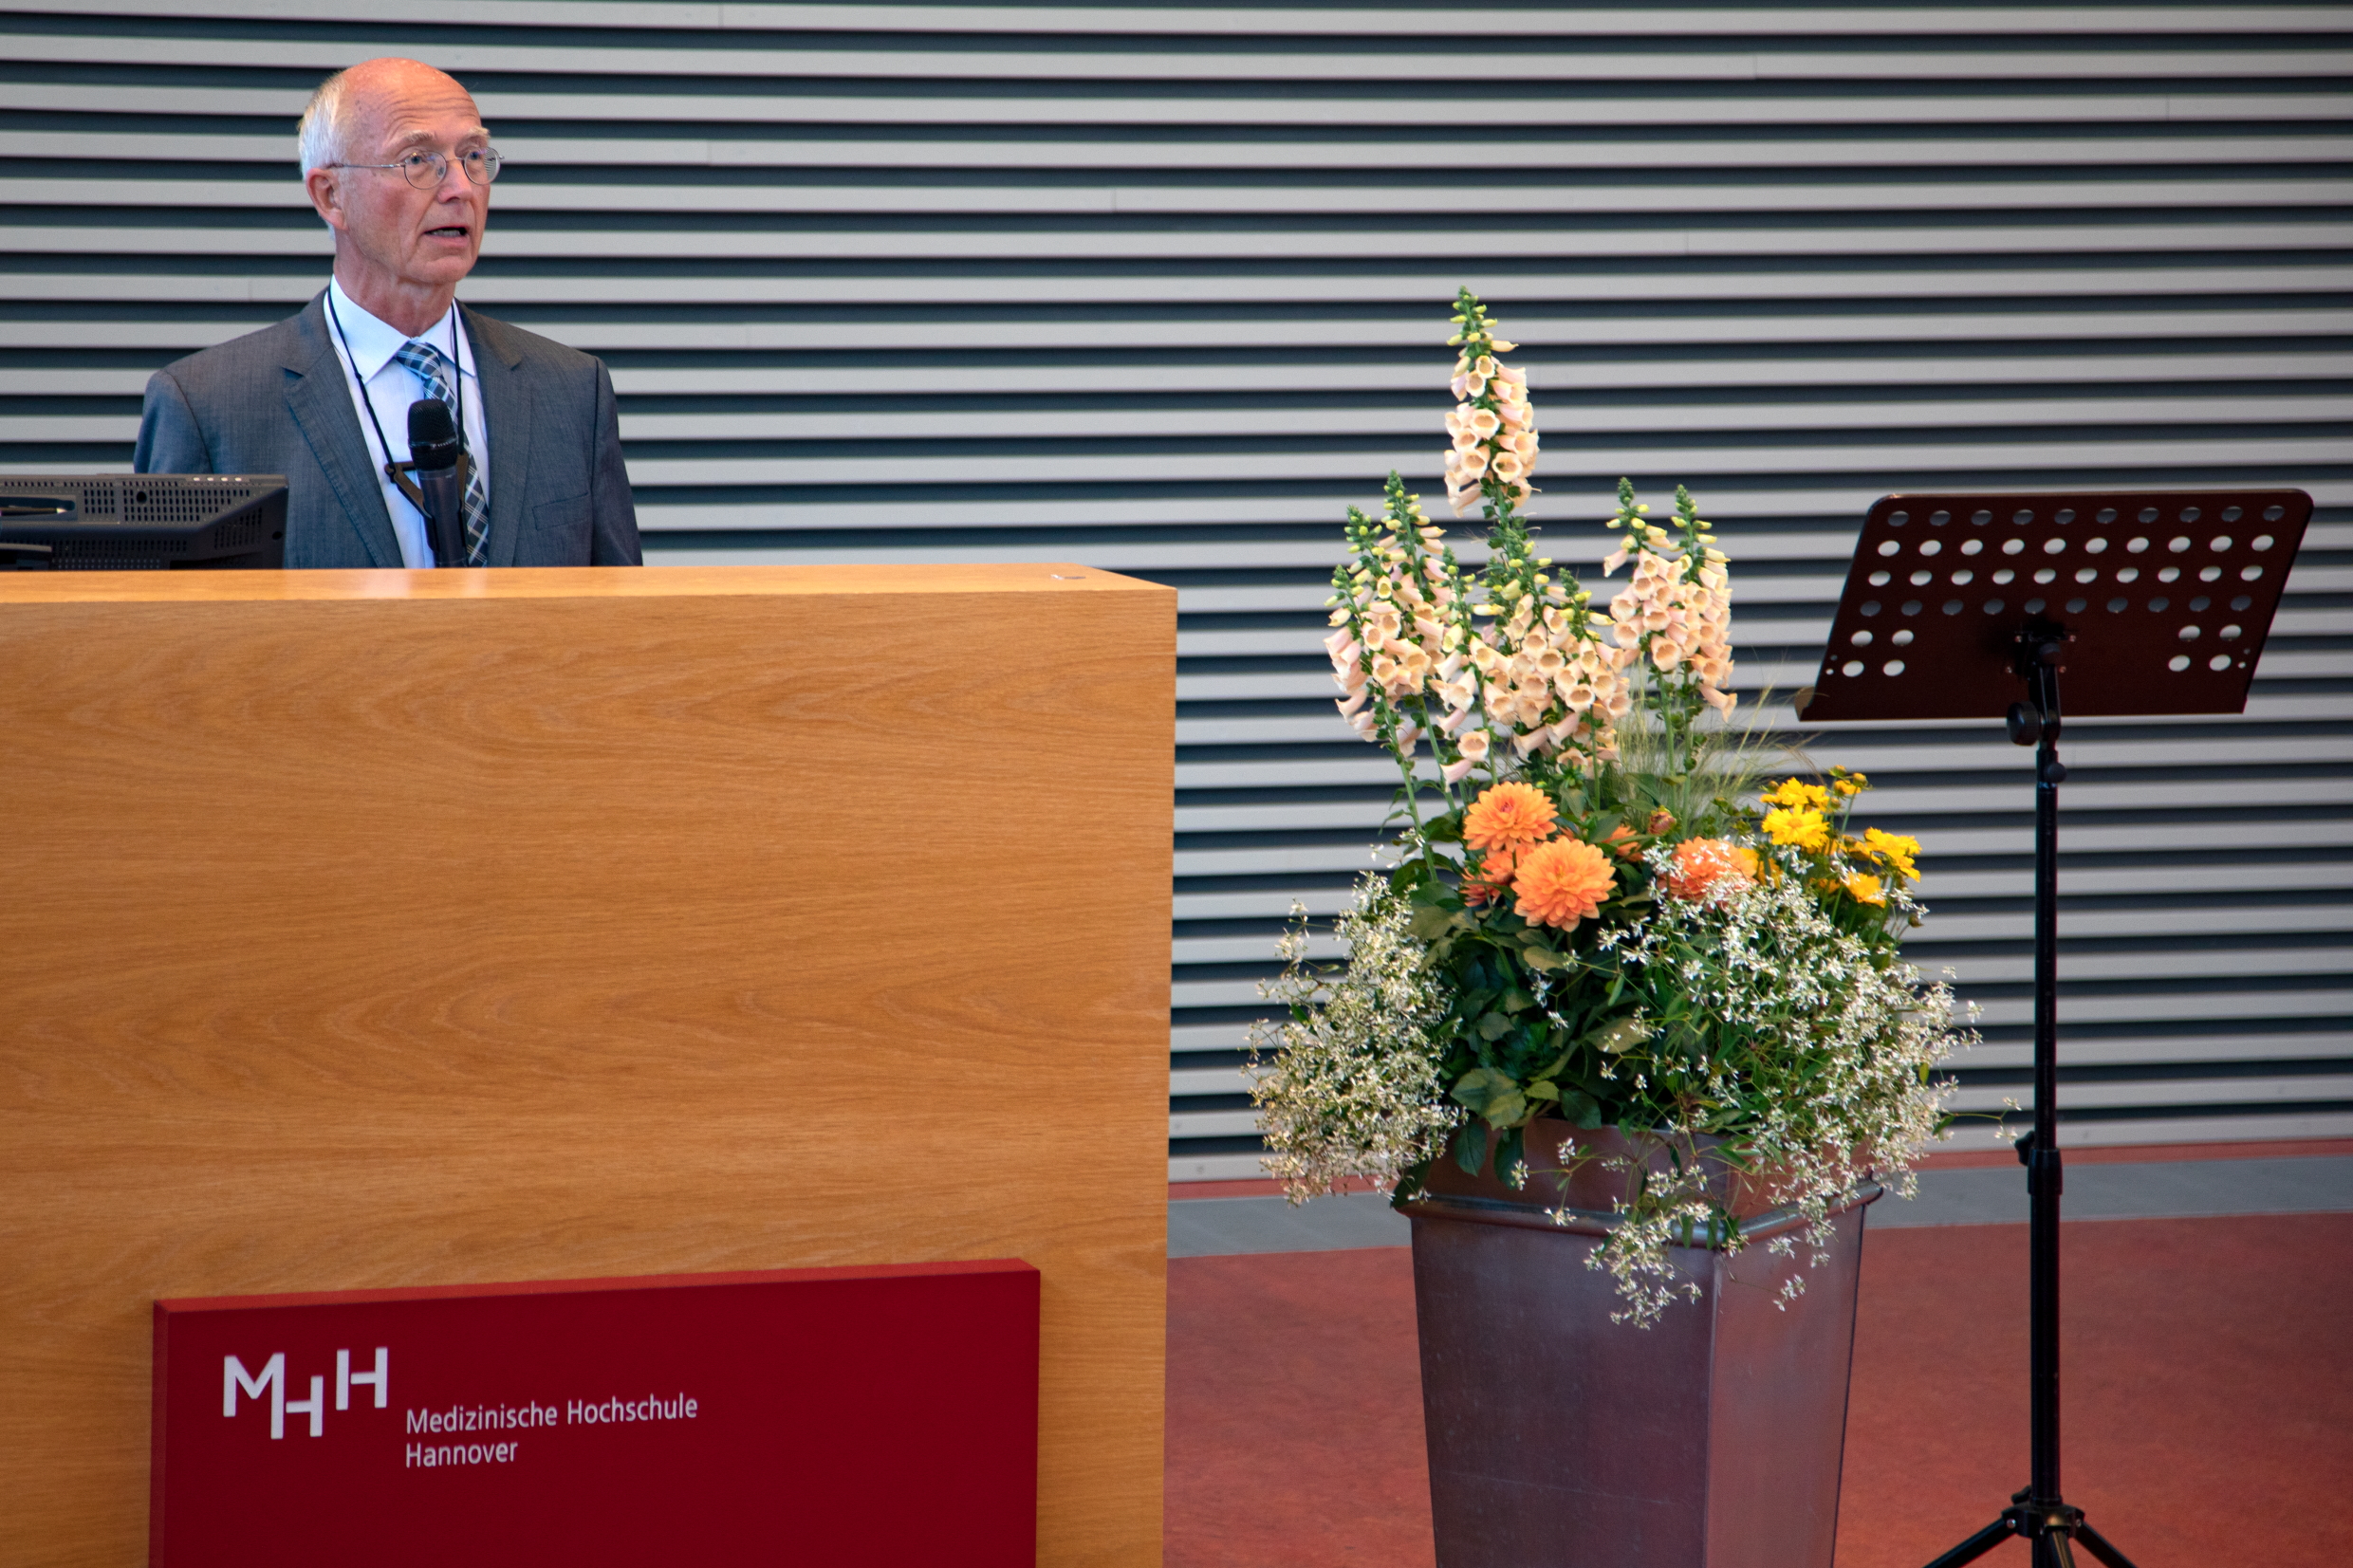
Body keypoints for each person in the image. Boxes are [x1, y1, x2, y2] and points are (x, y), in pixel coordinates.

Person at [134, 59, 639, 568]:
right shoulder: (208, 408)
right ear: (331, 196)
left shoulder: (572, 392)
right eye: (418, 159)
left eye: (473, 156)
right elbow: (169, 636)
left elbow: (624, 621)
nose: (460, 187)